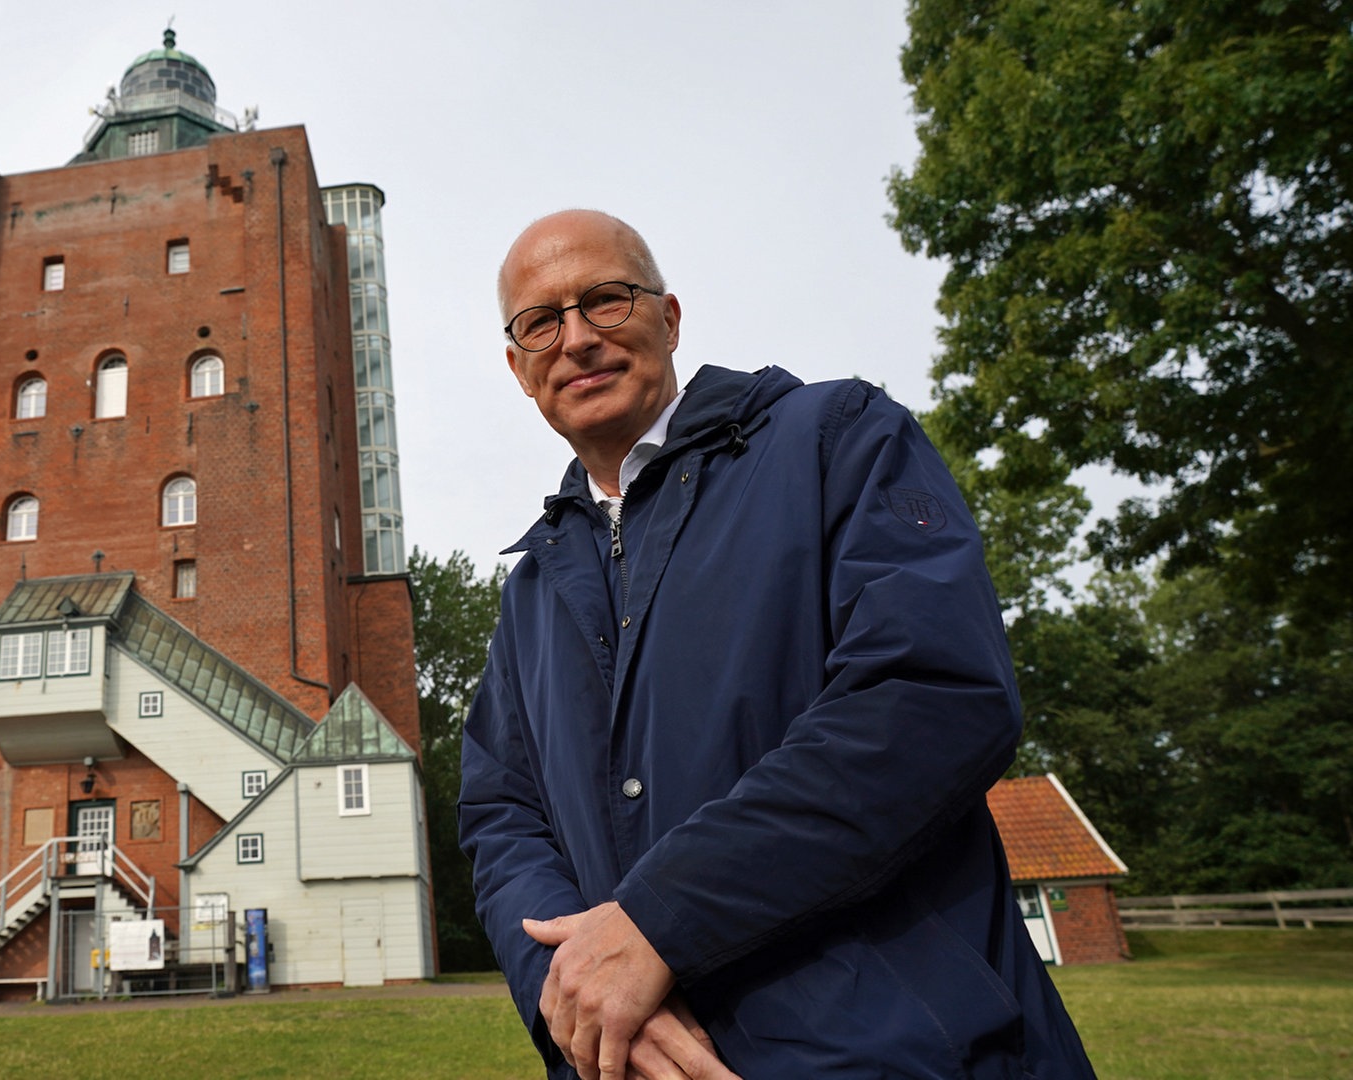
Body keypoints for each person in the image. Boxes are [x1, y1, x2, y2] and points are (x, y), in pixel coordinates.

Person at [458, 209, 1098, 1080]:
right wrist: (572, 990)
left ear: (670, 317)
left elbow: (930, 696)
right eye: (541, 321)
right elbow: (501, 819)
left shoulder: (836, 439)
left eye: (605, 300)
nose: (576, 338)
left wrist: (659, 919)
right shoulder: (530, 591)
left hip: (890, 1057)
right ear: (518, 365)